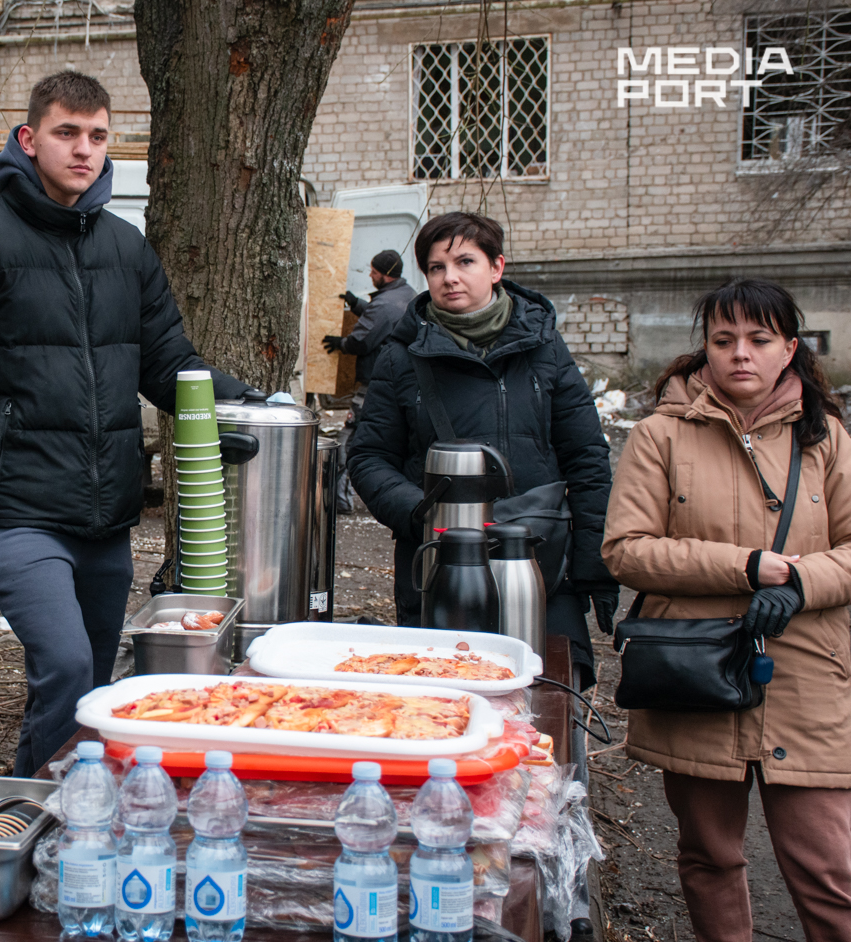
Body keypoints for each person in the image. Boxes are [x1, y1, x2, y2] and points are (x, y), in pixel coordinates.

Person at [0, 70, 252, 776]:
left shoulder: (126, 247)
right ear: (29, 139)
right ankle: (29, 819)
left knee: (95, 684)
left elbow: (170, 366)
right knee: (65, 667)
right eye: (67, 133)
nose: (84, 149)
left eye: (98, 135)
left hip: (106, 516)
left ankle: (54, 808)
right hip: (17, 511)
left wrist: (252, 400)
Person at [603, 279, 851, 942]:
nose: (741, 353)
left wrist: (799, 580)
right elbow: (626, 551)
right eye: (723, 340)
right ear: (705, 350)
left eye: (759, 339)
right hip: (695, 668)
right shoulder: (660, 435)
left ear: (789, 348)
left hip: (809, 673)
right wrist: (746, 568)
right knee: (710, 856)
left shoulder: (825, 438)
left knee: (829, 868)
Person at [347, 212, 617, 689]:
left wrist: (594, 564)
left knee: (546, 714)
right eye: (435, 268)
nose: (449, 277)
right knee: (447, 705)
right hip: (439, 569)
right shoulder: (401, 355)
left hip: (538, 568)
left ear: (496, 267)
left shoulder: (544, 346)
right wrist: (422, 515)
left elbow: (587, 458)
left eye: (464, 261)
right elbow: (369, 457)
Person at [322, 249, 416, 513]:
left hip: (375, 383)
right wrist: (356, 304)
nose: (371, 276)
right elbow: (383, 315)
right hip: (400, 381)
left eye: (374, 272)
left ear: (385, 275)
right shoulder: (406, 294)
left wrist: (340, 343)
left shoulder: (384, 304)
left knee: (350, 437)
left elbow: (361, 341)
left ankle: (341, 500)